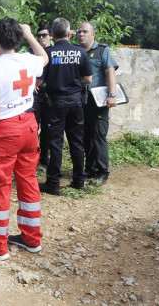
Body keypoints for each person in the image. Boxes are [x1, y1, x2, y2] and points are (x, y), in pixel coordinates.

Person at [0, 18, 48, 260]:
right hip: (28, 127)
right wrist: (29, 35)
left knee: (0, 187)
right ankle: (31, 238)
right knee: (28, 182)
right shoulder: (28, 60)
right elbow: (44, 58)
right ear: (17, 38)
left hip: (5, 131)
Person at [38, 18, 92, 195]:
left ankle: (53, 184)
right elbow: (88, 79)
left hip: (55, 103)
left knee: (55, 143)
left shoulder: (48, 53)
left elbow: (39, 81)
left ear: (52, 35)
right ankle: (79, 181)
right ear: (70, 34)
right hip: (76, 102)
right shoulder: (80, 52)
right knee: (77, 142)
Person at [77, 21, 119, 185]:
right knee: (85, 137)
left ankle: (102, 172)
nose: (81, 34)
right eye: (79, 31)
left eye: (85, 31)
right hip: (81, 99)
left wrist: (112, 94)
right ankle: (90, 169)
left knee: (98, 136)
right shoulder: (77, 51)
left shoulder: (103, 50)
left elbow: (110, 72)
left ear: (93, 34)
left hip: (99, 101)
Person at [32, 24, 52, 169]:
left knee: (48, 128)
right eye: (39, 35)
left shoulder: (55, 51)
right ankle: (34, 157)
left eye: (44, 35)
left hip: (51, 94)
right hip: (35, 94)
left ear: (51, 36)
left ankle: (45, 157)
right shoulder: (31, 52)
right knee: (34, 127)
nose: (41, 38)